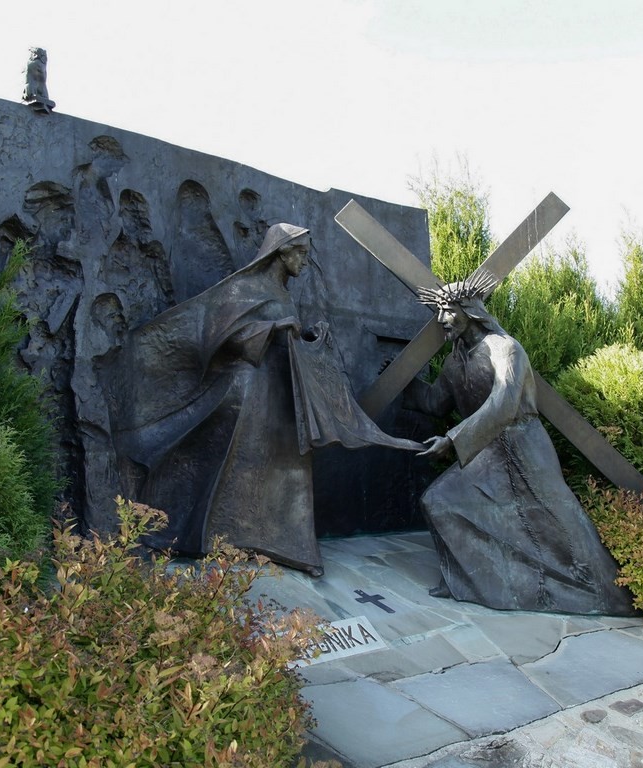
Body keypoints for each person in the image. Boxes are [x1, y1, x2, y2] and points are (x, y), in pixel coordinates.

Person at [117, 224, 420, 576]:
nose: (304, 261)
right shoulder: (245, 287)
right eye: (300, 253)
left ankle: (291, 546)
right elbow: (222, 336)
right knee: (236, 467)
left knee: (288, 470)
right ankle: (214, 539)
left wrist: (308, 336)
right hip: (247, 393)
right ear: (281, 252)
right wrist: (273, 328)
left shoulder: (283, 294)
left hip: (281, 393)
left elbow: (287, 339)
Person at [403, 270, 635, 615]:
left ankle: (612, 595)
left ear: (471, 311)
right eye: (439, 311)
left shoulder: (506, 349)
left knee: (559, 524)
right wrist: (404, 381)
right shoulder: (455, 361)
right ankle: (476, 583)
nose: (442, 319)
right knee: (440, 502)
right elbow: (437, 402)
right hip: (488, 451)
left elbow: (504, 404)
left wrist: (452, 440)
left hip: (524, 447)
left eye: (449, 311)